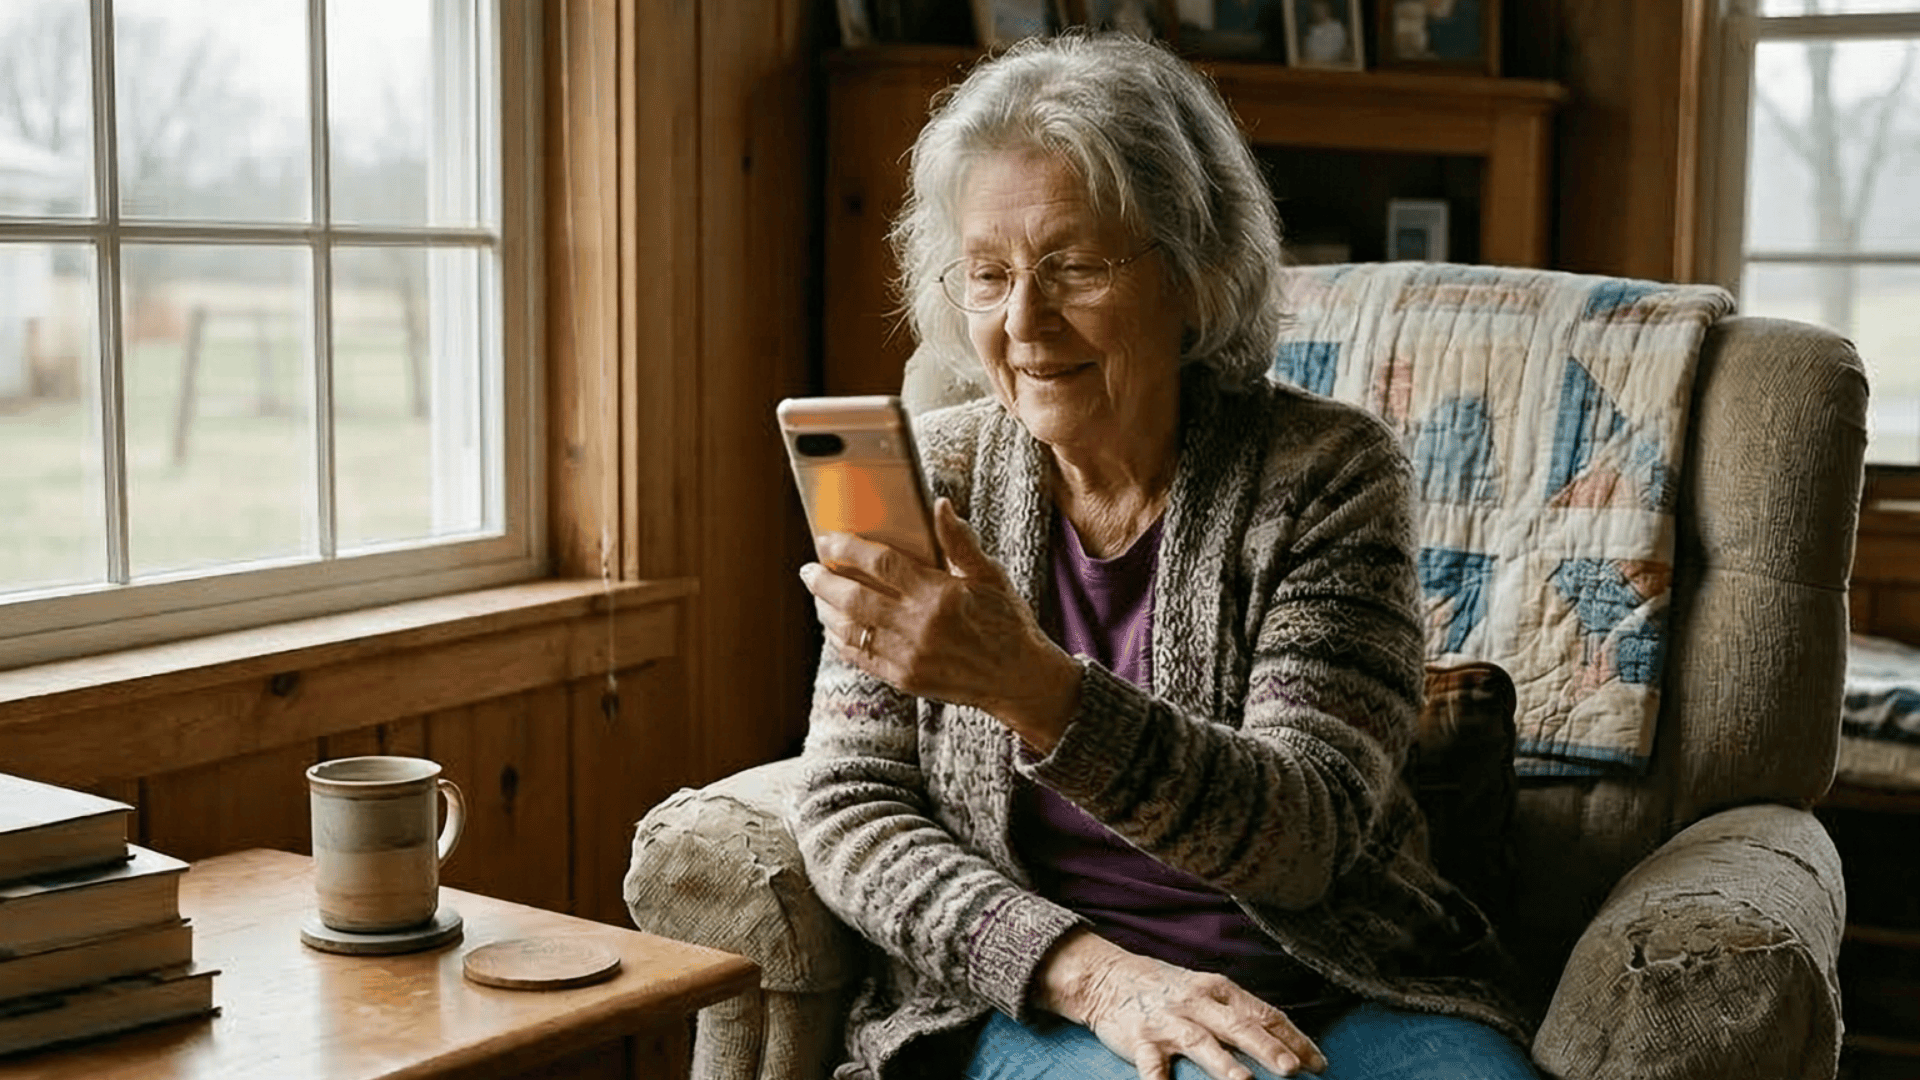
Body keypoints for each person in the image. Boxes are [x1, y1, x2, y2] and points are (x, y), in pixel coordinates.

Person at [792, 33, 1536, 1080]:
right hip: (1049, 1000)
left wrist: (1032, 689)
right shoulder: (927, 481)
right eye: (989, 275)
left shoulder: (1328, 475)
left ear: (1195, 274)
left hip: (1344, 980)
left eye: (1073, 267)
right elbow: (849, 808)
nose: (1024, 320)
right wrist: (1091, 975)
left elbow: (1310, 838)